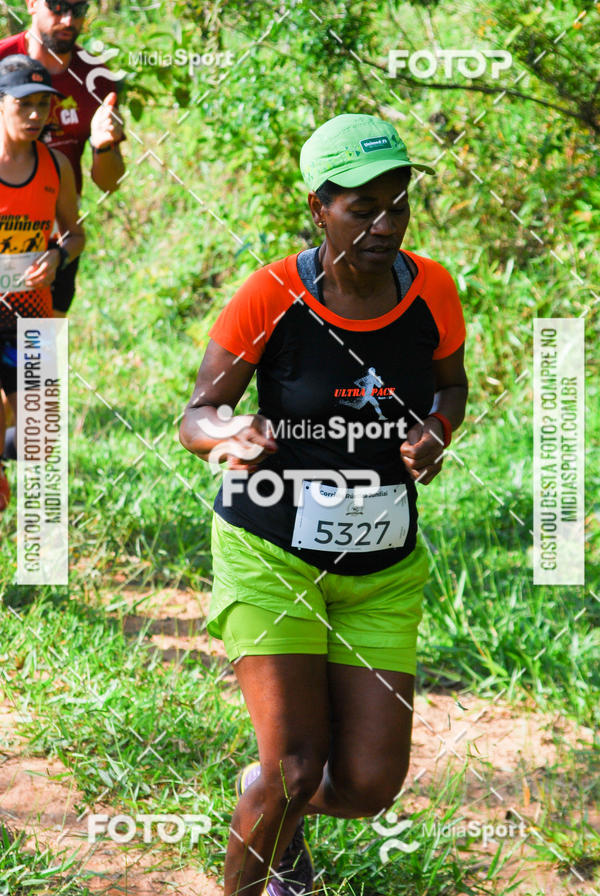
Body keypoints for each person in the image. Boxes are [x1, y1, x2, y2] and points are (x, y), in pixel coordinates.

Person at [179, 113, 468, 896]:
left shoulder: (432, 289)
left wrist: (437, 430)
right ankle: (272, 807)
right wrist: (228, 434)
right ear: (319, 207)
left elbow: (451, 386)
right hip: (271, 551)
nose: (385, 226)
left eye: (397, 206)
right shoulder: (272, 293)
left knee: (369, 785)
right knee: (295, 767)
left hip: (382, 569)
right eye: (362, 209)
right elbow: (196, 414)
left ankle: (273, 805)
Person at [0, 54, 84, 512]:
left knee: (38, 437)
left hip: (33, 313)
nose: (35, 115)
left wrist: (58, 255)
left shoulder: (57, 166)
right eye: (23, 104)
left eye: (42, 105)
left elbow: (76, 233)